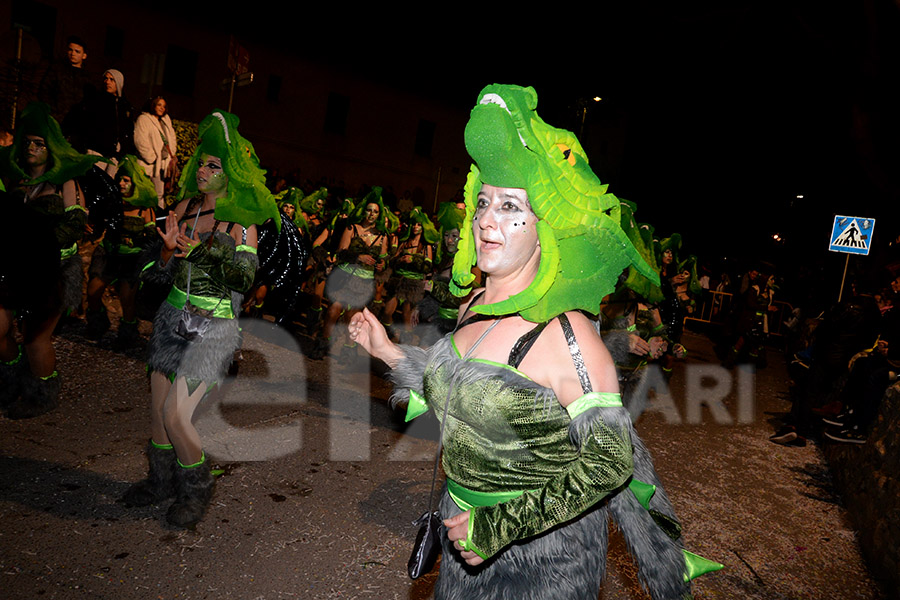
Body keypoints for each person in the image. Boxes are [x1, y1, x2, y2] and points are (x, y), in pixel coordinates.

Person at [349, 84, 718, 598]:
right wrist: (388, 350)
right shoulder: (475, 304)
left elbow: (610, 461)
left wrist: (500, 527)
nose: (485, 220)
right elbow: (460, 393)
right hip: (461, 540)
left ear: (546, 228)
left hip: (545, 564)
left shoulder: (569, 336)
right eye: (483, 203)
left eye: (509, 206)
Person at [121, 110, 278, 528]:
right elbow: (153, 274)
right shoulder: (183, 208)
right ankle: (160, 481)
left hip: (214, 330)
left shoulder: (242, 224)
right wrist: (169, 252)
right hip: (172, 320)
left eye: (215, 165)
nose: (205, 170)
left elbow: (244, 277)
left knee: (176, 416)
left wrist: (200, 252)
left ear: (232, 174)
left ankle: (196, 489)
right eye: (202, 163)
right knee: (157, 416)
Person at [0, 102, 98, 418]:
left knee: (34, 339)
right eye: (27, 142)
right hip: (14, 272)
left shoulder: (65, 182)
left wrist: (37, 241)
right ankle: (12, 380)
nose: (31, 148)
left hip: (53, 272)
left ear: (50, 148)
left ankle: (42, 394)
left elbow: (74, 226)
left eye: (39, 143)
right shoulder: (15, 182)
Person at [84, 154, 158, 347]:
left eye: (127, 180)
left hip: (130, 260)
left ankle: (128, 332)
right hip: (108, 254)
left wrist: (137, 241)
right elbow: (98, 225)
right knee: (93, 291)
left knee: (127, 298)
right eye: (120, 179)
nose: (122, 184)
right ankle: (98, 322)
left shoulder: (144, 209)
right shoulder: (111, 203)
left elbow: (151, 239)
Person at [310, 187, 391, 359]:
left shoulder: (382, 236)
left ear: (379, 215)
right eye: (369, 210)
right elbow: (341, 251)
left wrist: (382, 264)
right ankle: (322, 343)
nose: (371, 214)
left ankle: (348, 349)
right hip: (345, 278)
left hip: (364, 283)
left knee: (350, 317)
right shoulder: (351, 228)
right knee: (333, 310)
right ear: (364, 211)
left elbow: (384, 259)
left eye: (375, 212)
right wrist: (358, 256)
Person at [38, 36, 94, 125]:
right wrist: (52, 113)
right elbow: (44, 91)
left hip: (78, 123)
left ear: (84, 55)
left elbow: (90, 101)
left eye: (77, 51)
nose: (73, 53)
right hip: (57, 120)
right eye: (70, 50)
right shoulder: (57, 69)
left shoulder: (87, 78)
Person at [134, 96, 177, 207]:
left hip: (163, 164)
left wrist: (171, 153)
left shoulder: (166, 120)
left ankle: (158, 219)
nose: (162, 108)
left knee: (160, 194)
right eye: (159, 105)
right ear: (153, 105)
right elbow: (140, 140)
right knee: (146, 193)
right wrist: (151, 158)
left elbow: (172, 138)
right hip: (149, 164)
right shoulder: (144, 119)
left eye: (164, 106)